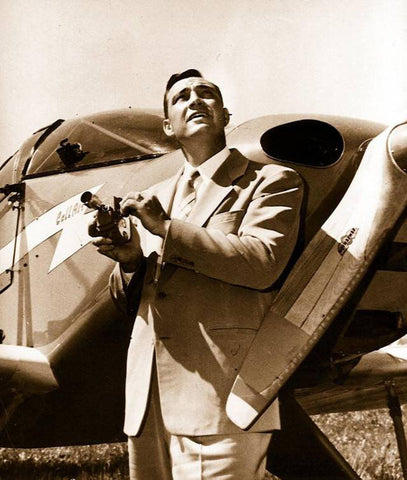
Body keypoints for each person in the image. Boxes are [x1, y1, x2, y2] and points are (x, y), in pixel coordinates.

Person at [90, 69, 304, 480]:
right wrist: (131, 260)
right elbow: (133, 300)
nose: (196, 99)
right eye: (182, 96)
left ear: (225, 115)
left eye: (207, 93)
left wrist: (167, 230)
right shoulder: (155, 196)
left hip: (220, 400)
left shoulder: (270, 181)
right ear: (169, 126)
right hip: (148, 401)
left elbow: (263, 263)